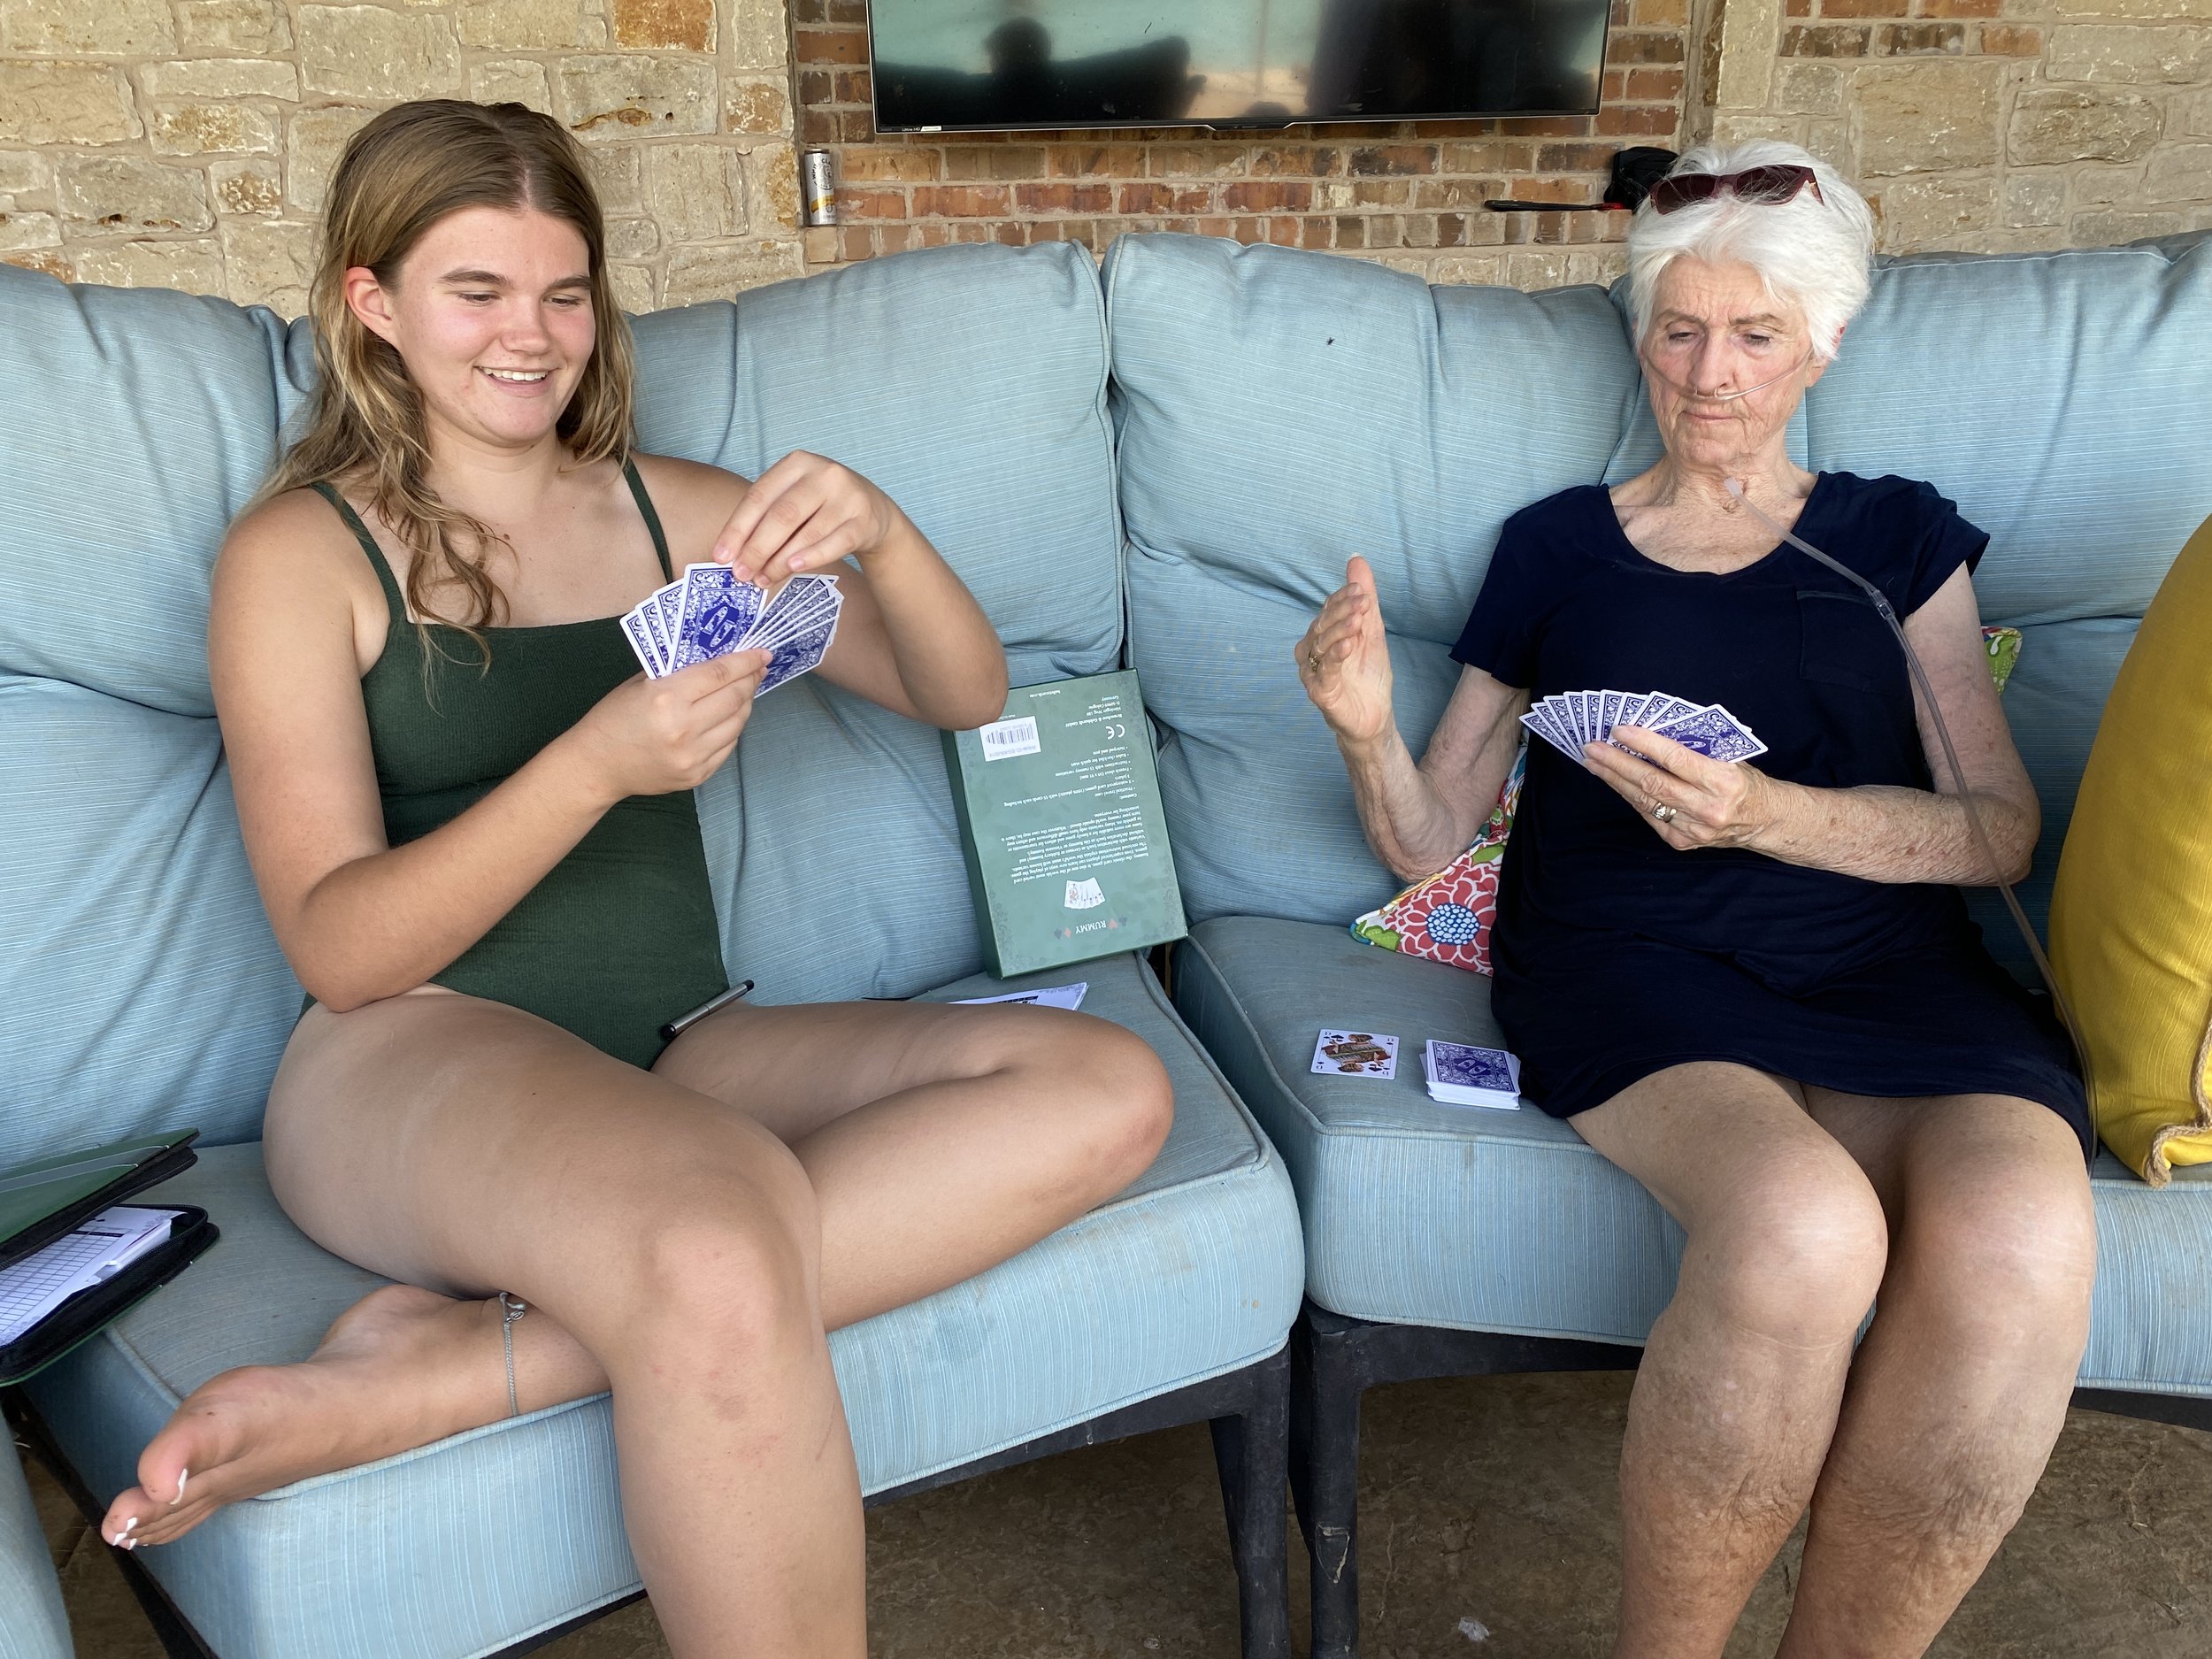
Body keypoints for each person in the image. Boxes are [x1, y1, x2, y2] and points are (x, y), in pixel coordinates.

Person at [96, 99, 1173, 1658]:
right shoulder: (300, 556)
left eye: (565, 289)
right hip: (409, 1057)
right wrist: (596, 761)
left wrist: (883, 529)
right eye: (477, 291)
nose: (532, 337)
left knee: (1102, 1086)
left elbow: (961, 693)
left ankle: (451, 1366)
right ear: (372, 304)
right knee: (714, 1231)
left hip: (684, 1035)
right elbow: (340, 945)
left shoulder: (682, 514)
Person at [1296, 140, 2095, 1658]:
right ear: (1641, 330)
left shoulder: (1897, 541)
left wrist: (1769, 816)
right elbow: (1428, 835)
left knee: (2023, 1237)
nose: (1710, 375)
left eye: (1756, 336)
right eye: (1679, 329)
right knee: (1801, 1228)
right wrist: (1358, 724)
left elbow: (2000, 832)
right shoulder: (1557, 548)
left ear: (1826, 343)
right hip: (1629, 966)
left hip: (1887, 973)